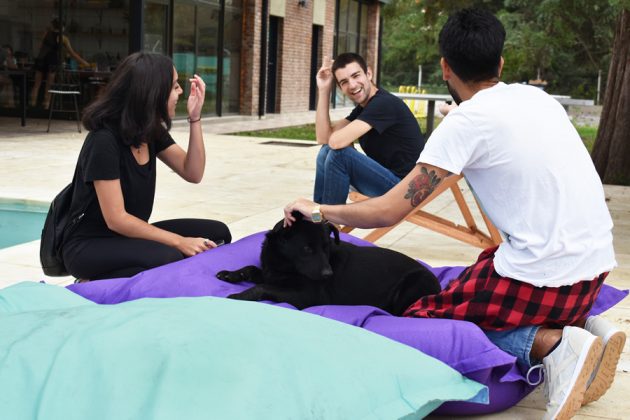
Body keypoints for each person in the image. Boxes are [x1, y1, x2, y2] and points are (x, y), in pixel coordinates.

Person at [285, 8, 624, 419]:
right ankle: (585, 327)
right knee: (474, 277)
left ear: (445, 68)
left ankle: (553, 347)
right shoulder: (538, 98)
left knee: (425, 320)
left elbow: (389, 211)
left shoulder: (464, 124)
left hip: (545, 278)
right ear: (500, 63)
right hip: (593, 271)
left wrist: (318, 211)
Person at [61, 52, 231, 281]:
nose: (181, 91)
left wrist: (195, 117)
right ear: (153, 93)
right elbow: (116, 219)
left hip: (128, 237)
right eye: (174, 86)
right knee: (170, 257)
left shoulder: (149, 131)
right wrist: (179, 241)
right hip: (89, 246)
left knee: (218, 234)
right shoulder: (103, 141)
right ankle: (93, 281)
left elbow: (193, 172)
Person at [313, 52, 425, 204]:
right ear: (340, 88)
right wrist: (324, 90)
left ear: (369, 74)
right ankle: (318, 213)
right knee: (326, 150)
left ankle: (327, 216)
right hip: (390, 182)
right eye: (344, 82)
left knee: (340, 155)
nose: (352, 85)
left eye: (356, 76)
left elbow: (336, 142)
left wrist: (342, 141)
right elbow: (323, 138)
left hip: (405, 190)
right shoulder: (364, 108)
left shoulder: (383, 104)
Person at [30, 18, 89, 109]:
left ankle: (32, 107)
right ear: (63, 27)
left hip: (41, 60)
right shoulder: (63, 38)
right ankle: (46, 107)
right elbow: (72, 53)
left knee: (36, 85)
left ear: (53, 26)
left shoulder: (46, 34)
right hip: (52, 62)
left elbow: (40, 47)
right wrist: (85, 63)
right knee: (49, 86)